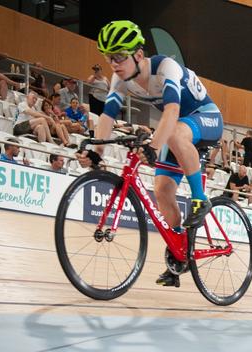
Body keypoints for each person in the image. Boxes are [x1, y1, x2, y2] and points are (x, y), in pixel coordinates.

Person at [78, 20, 223, 288]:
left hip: (206, 117)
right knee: (162, 191)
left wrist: (153, 146)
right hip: (175, 126)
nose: (114, 64)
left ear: (139, 55)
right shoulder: (120, 79)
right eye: (110, 58)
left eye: (120, 56)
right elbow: (107, 116)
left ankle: (201, 201)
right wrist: (97, 151)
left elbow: (172, 112)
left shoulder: (165, 68)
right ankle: (180, 255)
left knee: (176, 133)